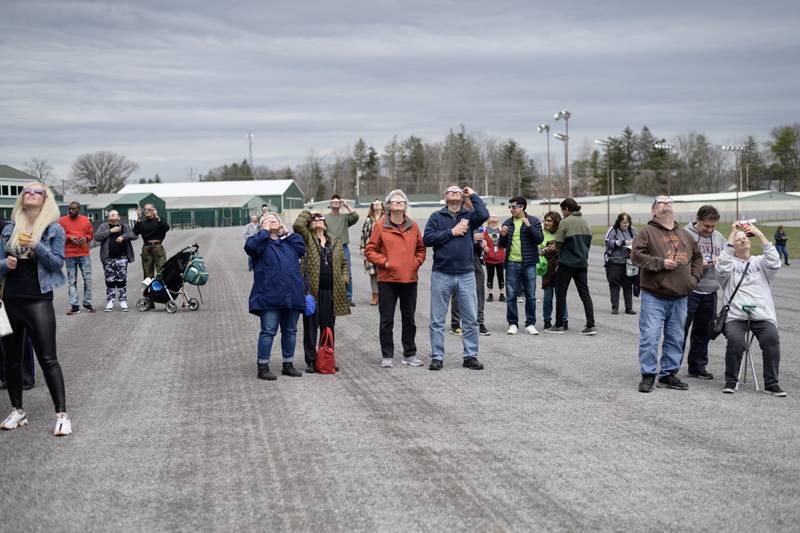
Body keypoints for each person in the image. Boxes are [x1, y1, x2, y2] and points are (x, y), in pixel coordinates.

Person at [0, 182, 71, 436]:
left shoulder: (54, 229)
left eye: (36, 191)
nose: (30, 193)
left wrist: (36, 245)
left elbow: (57, 263)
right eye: (26, 191)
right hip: (10, 300)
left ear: (45, 199)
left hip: (38, 300)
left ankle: (62, 416)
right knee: (11, 360)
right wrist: (5, 264)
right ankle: (18, 411)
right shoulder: (9, 228)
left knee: (48, 358)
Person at [631, 195, 703, 393]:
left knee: (676, 337)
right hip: (654, 295)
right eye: (662, 203)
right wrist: (660, 263)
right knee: (650, 336)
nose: (667, 205)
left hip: (680, 296)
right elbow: (636, 256)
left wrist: (693, 280)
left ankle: (668, 374)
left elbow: (698, 258)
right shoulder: (647, 232)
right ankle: (648, 375)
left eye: (670, 202)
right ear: (653, 211)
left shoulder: (685, 234)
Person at [423, 185, 489, 371]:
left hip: (466, 274)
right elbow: (427, 239)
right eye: (449, 191)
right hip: (441, 273)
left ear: (462, 196)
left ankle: (470, 356)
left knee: (470, 319)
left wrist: (474, 195)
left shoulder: (469, 216)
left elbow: (483, 214)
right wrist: (452, 232)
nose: (453, 192)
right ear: (444, 197)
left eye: (457, 191)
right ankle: (437, 356)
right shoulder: (436, 217)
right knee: (437, 319)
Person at [717, 223, 786, 396]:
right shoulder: (728, 263)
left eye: (744, 238)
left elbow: (775, 261)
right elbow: (722, 266)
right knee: (736, 341)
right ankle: (731, 381)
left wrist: (759, 234)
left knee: (771, 339)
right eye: (738, 239)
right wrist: (733, 233)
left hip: (762, 316)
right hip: (735, 316)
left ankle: (771, 383)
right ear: (733, 243)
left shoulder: (760, 262)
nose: (742, 241)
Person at [365, 189, 426, 368]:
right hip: (387, 281)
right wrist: (385, 262)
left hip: (409, 279)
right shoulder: (380, 226)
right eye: (395, 200)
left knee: (409, 319)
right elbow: (370, 250)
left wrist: (415, 263)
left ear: (405, 206)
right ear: (388, 206)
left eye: (402, 200)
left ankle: (409, 354)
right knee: (386, 320)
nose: (399, 202)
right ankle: (387, 355)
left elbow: (421, 249)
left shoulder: (413, 226)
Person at [246, 213, 305, 380]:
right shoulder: (259, 243)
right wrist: (264, 232)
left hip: (292, 294)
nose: (273, 221)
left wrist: (288, 233)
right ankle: (263, 366)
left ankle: (288, 364)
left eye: (276, 219)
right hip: (269, 295)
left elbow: (301, 248)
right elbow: (250, 247)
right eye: (268, 220)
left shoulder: (289, 242)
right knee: (268, 331)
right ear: (262, 225)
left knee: (291, 331)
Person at [293, 210, 350, 373]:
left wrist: (345, 279)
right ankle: (311, 361)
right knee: (311, 327)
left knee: (328, 327)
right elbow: (297, 225)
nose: (318, 221)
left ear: (325, 224)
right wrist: (308, 213)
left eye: (320, 219)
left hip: (331, 291)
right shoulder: (308, 239)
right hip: (312, 291)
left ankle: (327, 357)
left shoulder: (336, 241)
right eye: (314, 219)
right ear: (310, 224)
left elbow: (344, 264)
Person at [682, 205, 726, 379]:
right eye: (706, 226)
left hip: (710, 291)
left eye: (713, 226)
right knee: (680, 330)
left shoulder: (719, 238)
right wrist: (700, 264)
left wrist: (720, 261)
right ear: (698, 220)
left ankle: (697, 366)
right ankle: (671, 368)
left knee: (704, 331)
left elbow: (727, 258)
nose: (710, 230)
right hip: (689, 290)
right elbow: (679, 260)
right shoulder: (685, 234)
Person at [544, 198, 596, 335]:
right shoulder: (585, 222)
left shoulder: (565, 222)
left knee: (561, 293)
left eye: (562, 210)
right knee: (585, 293)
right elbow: (588, 243)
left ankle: (559, 324)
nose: (562, 213)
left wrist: (547, 249)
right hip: (582, 263)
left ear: (566, 208)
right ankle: (591, 325)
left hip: (567, 263)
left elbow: (559, 243)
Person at [498, 196, 544, 335]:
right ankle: (512, 324)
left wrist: (529, 226)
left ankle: (530, 324)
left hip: (529, 263)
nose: (511, 209)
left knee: (530, 295)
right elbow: (502, 244)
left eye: (514, 206)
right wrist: (503, 235)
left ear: (522, 207)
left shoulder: (534, 221)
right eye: (510, 207)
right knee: (511, 295)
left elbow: (539, 239)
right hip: (512, 262)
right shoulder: (507, 222)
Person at [94, 210, 138, 312]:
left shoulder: (124, 226)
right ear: (108, 218)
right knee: (110, 281)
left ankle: (123, 301)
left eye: (115, 214)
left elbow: (134, 235)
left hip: (121, 258)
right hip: (108, 258)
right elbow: (97, 237)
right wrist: (111, 231)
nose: (113, 215)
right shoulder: (103, 226)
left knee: (121, 280)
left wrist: (123, 236)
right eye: (111, 214)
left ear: (119, 217)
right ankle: (110, 301)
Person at [59, 201, 94, 314]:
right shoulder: (62, 220)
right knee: (71, 281)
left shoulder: (85, 220)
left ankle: (87, 303)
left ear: (79, 209)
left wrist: (86, 238)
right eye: (69, 209)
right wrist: (70, 237)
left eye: (73, 209)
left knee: (87, 279)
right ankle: (75, 306)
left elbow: (90, 234)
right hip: (69, 254)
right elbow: (59, 234)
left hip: (84, 253)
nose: (70, 211)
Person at [325, 195, 359, 306]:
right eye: (333, 201)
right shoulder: (325, 218)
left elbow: (355, 216)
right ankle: (331, 296)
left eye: (337, 202)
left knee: (347, 272)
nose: (335, 203)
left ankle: (348, 297)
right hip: (329, 248)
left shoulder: (345, 218)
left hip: (343, 247)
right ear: (330, 204)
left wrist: (346, 205)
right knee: (330, 273)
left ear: (340, 204)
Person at [603, 212, 637, 315]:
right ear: (619, 222)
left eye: (627, 222)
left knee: (628, 286)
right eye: (623, 222)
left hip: (628, 263)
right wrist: (621, 242)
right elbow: (607, 242)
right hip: (614, 262)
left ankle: (629, 308)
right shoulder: (613, 230)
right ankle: (615, 307)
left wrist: (633, 247)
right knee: (614, 285)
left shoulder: (633, 231)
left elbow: (639, 242)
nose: (626, 225)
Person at [539, 211, 568, 330]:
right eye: (545, 220)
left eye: (549, 221)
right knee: (547, 296)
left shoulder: (561, 233)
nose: (546, 223)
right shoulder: (542, 233)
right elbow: (538, 250)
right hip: (546, 269)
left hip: (560, 268)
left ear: (556, 222)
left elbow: (565, 248)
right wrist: (546, 249)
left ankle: (564, 320)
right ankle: (547, 320)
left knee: (560, 295)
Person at [133, 204, 170, 281]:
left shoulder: (160, 220)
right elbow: (135, 232)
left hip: (157, 247)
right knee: (147, 274)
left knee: (162, 271)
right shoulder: (143, 223)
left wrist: (157, 216)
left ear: (154, 210)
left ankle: (163, 291)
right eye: (145, 209)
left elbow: (166, 228)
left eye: (149, 209)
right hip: (146, 248)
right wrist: (138, 218)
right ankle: (149, 291)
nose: (147, 211)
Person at [359, 199, 385, 306]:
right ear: (372, 206)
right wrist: (362, 247)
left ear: (382, 206)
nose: (377, 204)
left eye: (379, 203)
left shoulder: (387, 219)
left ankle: (384, 296)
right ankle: (375, 296)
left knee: (383, 273)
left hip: (384, 250)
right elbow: (363, 234)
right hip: (371, 249)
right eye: (375, 203)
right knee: (373, 274)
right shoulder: (368, 220)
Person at [483, 216, 505, 302]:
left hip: (500, 257)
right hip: (489, 258)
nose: (493, 219)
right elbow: (482, 240)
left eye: (495, 217)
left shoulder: (500, 229)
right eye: (492, 217)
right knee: (490, 276)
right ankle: (490, 294)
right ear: (489, 219)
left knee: (501, 276)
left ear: (498, 219)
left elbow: (505, 240)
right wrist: (484, 246)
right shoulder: (485, 230)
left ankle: (502, 294)